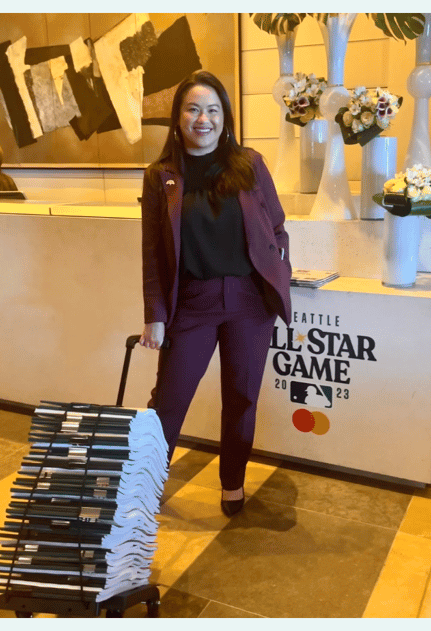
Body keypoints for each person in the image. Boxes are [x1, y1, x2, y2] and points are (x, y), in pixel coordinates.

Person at [139, 70, 292, 517]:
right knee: (168, 399)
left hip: (249, 301)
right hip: (193, 301)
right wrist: (155, 312)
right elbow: (152, 252)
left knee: (242, 396)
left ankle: (233, 482)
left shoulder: (250, 164)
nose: (202, 118)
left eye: (212, 110)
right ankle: (145, 486)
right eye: (192, 109)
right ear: (177, 117)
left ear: (224, 118)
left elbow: (277, 226)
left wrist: (277, 266)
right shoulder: (160, 176)